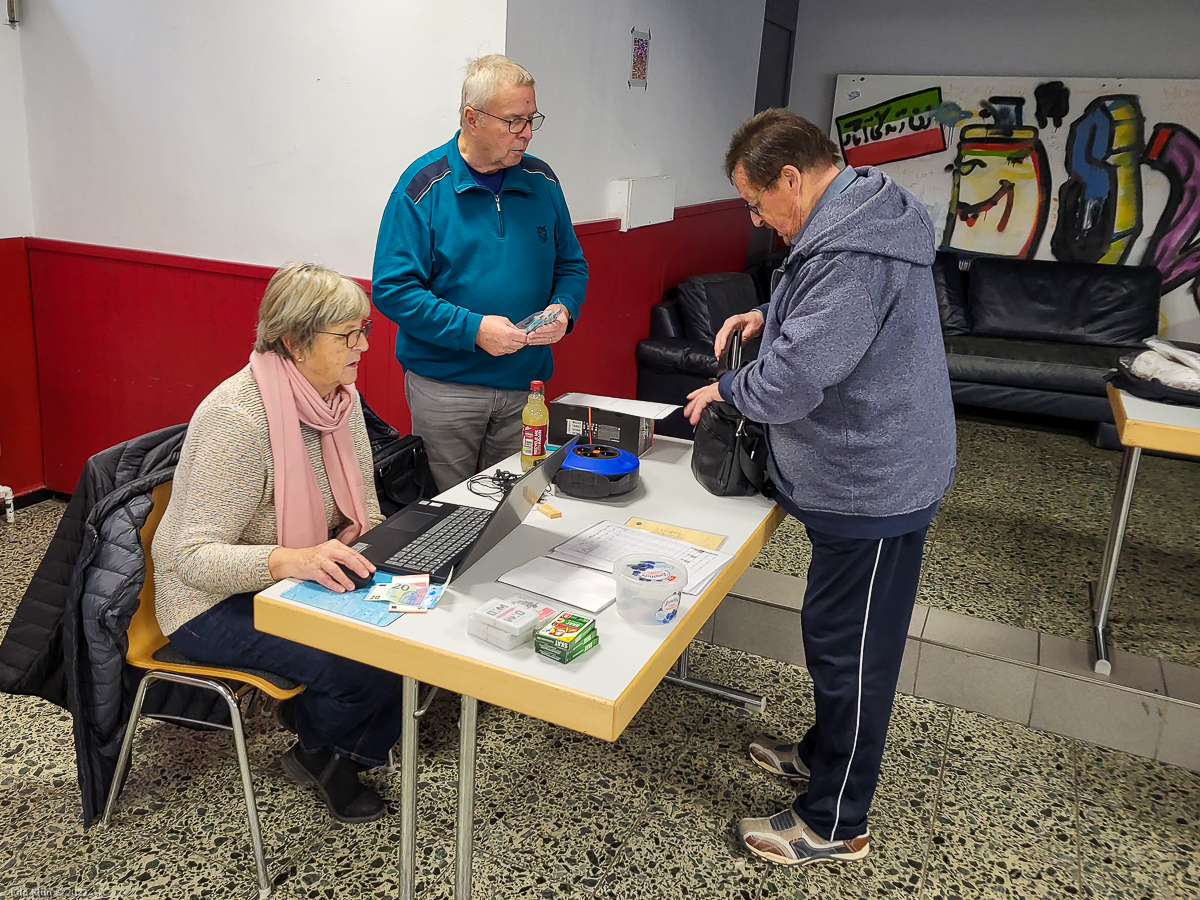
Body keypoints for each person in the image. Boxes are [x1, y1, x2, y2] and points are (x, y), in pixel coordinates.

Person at [684, 110, 956, 867]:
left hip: (873, 481)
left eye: (755, 202)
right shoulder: (859, 212)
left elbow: (796, 380)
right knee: (839, 634)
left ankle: (836, 822)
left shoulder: (850, 251)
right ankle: (822, 755)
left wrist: (726, 390)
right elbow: (831, 320)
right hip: (869, 468)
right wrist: (768, 314)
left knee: (852, 651)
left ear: (792, 178)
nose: (755, 218)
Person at [151, 262, 399, 825]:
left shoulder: (338, 399)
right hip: (208, 603)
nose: (363, 346)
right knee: (365, 665)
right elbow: (187, 557)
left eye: (363, 330)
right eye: (347, 335)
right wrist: (297, 559)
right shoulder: (238, 419)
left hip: (299, 572)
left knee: (413, 629)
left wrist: (381, 546)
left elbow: (364, 502)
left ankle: (329, 731)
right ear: (294, 341)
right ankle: (322, 752)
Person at [372, 54, 589, 492]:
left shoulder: (542, 180)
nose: (526, 133)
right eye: (513, 121)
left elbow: (571, 264)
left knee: (517, 503)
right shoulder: (424, 187)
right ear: (472, 119)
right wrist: (473, 330)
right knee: (449, 512)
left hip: (525, 387)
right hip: (446, 390)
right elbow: (393, 289)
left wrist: (564, 309)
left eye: (531, 119)